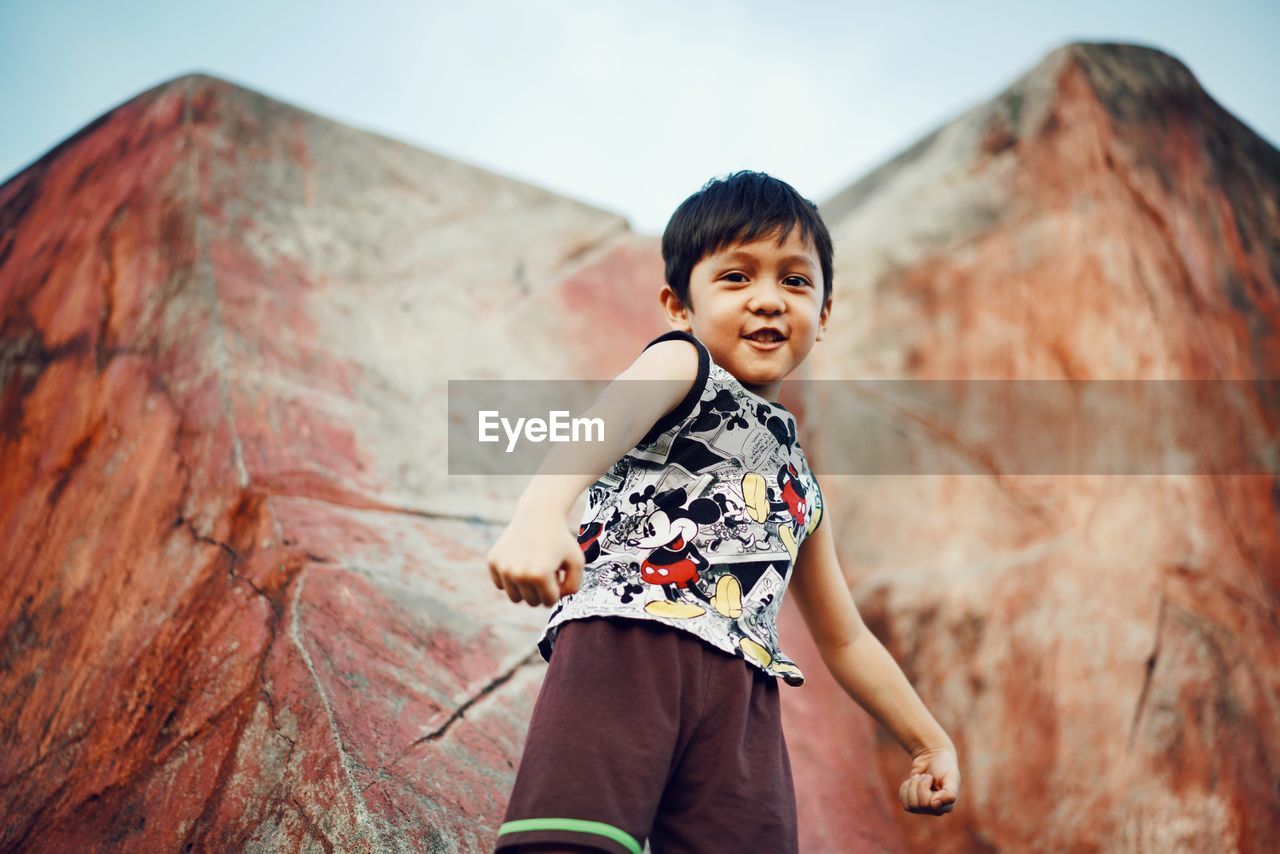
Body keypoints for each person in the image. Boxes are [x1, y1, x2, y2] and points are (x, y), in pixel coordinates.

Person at [487, 171, 961, 854]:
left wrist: (928, 740)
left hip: (743, 701)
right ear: (679, 305)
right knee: (569, 844)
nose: (768, 299)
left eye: (795, 282)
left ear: (824, 316)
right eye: (737, 278)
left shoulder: (801, 482)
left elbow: (845, 640)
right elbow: (597, 426)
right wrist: (538, 516)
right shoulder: (681, 366)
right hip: (627, 646)